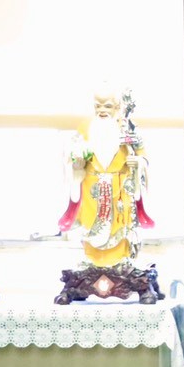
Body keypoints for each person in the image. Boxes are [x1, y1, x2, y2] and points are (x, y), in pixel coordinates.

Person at [58, 88, 153, 267]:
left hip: (119, 187)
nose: (102, 110)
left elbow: (143, 155)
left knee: (120, 227)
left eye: (107, 106)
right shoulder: (86, 128)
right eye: (98, 106)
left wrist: (138, 161)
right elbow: (72, 152)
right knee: (90, 223)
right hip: (92, 186)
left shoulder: (128, 128)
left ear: (117, 107)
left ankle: (120, 261)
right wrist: (77, 157)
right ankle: (92, 261)